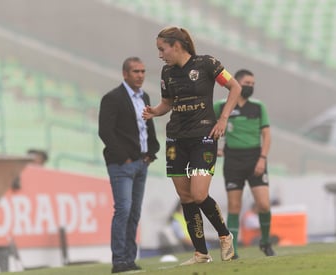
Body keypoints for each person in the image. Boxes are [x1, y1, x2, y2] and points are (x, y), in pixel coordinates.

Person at [142, 26, 241, 265]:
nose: (160, 55)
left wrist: (223, 119)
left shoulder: (207, 63)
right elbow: (167, 103)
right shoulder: (167, 72)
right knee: (185, 197)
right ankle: (200, 253)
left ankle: (225, 235)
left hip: (203, 138)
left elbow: (235, 87)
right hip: (176, 138)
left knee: (198, 194)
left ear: (176, 46)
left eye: (161, 49)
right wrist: (155, 111)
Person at [98, 57, 160, 273]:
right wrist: (125, 157)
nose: (140, 75)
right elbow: (105, 131)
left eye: (143, 71)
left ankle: (129, 259)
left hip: (142, 163)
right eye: (136, 71)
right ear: (125, 74)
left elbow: (147, 128)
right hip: (122, 164)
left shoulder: (145, 96)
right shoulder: (112, 98)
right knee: (123, 210)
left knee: (134, 212)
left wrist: (152, 152)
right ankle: (119, 260)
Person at [214, 69, 275, 259]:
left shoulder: (258, 107)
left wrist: (262, 159)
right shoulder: (222, 106)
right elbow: (210, 127)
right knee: (234, 207)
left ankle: (265, 241)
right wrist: (214, 149)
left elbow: (266, 134)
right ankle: (233, 250)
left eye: (253, 84)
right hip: (233, 161)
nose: (250, 87)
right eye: (247, 83)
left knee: (264, 205)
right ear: (237, 84)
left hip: (255, 159)